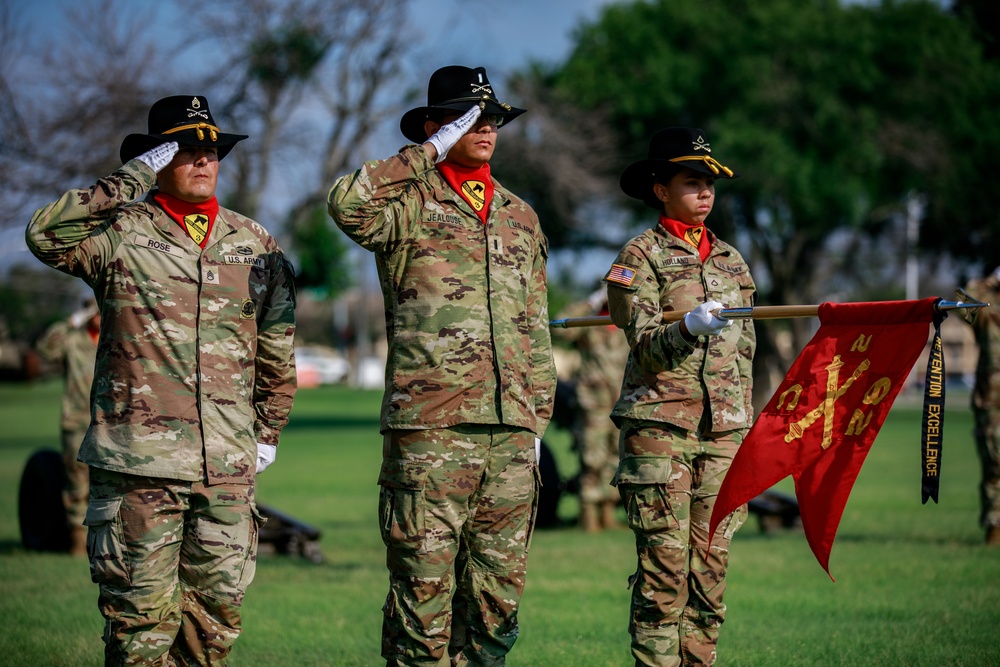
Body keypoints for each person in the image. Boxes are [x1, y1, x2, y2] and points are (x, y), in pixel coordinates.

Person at [25, 95, 298, 665]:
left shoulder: (254, 242)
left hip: (225, 468)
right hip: (137, 467)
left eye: (211, 150)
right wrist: (132, 176)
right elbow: (44, 234)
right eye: (184, 150)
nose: (202, 161)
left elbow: (276, 343)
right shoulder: (118, 234)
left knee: (213, 630)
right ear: (157, 157)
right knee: (139, 632)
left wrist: (268, 431)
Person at [328, 65, 556, 666]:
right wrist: (427, 151)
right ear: (434, 125)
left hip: (509, 435)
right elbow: (347, 205)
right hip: (430, 432)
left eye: (491, 118)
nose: (485, 127)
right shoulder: (403, 205)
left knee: (496, 603)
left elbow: (534, 326)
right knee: (422, 601)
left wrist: (537, 421)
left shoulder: (520, 216)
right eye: (466, 117)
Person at [604, 127, 756, 666]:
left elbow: (745, 354)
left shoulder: (733, 261)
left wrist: (743, 419)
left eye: (710, 184)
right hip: (661, 431)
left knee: (710, 572)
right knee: (664, 575)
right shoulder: (638, 257)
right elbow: (644, 344)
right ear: (660, 189)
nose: (706, 193)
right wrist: (688, 328)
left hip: (723, 434)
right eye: (692, 182)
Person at [554, 289, 629, 532]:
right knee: (591, 457)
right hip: (593, 403)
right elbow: (559, 328)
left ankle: (607, 510)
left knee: (614, 456)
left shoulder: (626, 321)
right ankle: (587, 513)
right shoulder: (590, 320)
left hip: (620, 402)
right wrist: (590, 302)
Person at [35, 298, 101, 556]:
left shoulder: (113, 339)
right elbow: (45, 348)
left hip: (109, 424)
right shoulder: (73, 342)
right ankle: (77, 542)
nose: (96, 314)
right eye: (91, 310)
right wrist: (73, 320)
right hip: (77, 422)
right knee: (77, 482)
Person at [960, 269, 1000, 546]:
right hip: (993, 402)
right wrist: (991, 280)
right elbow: (964, 302)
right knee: (995, 465)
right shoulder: (988, 315)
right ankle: (995, 530)